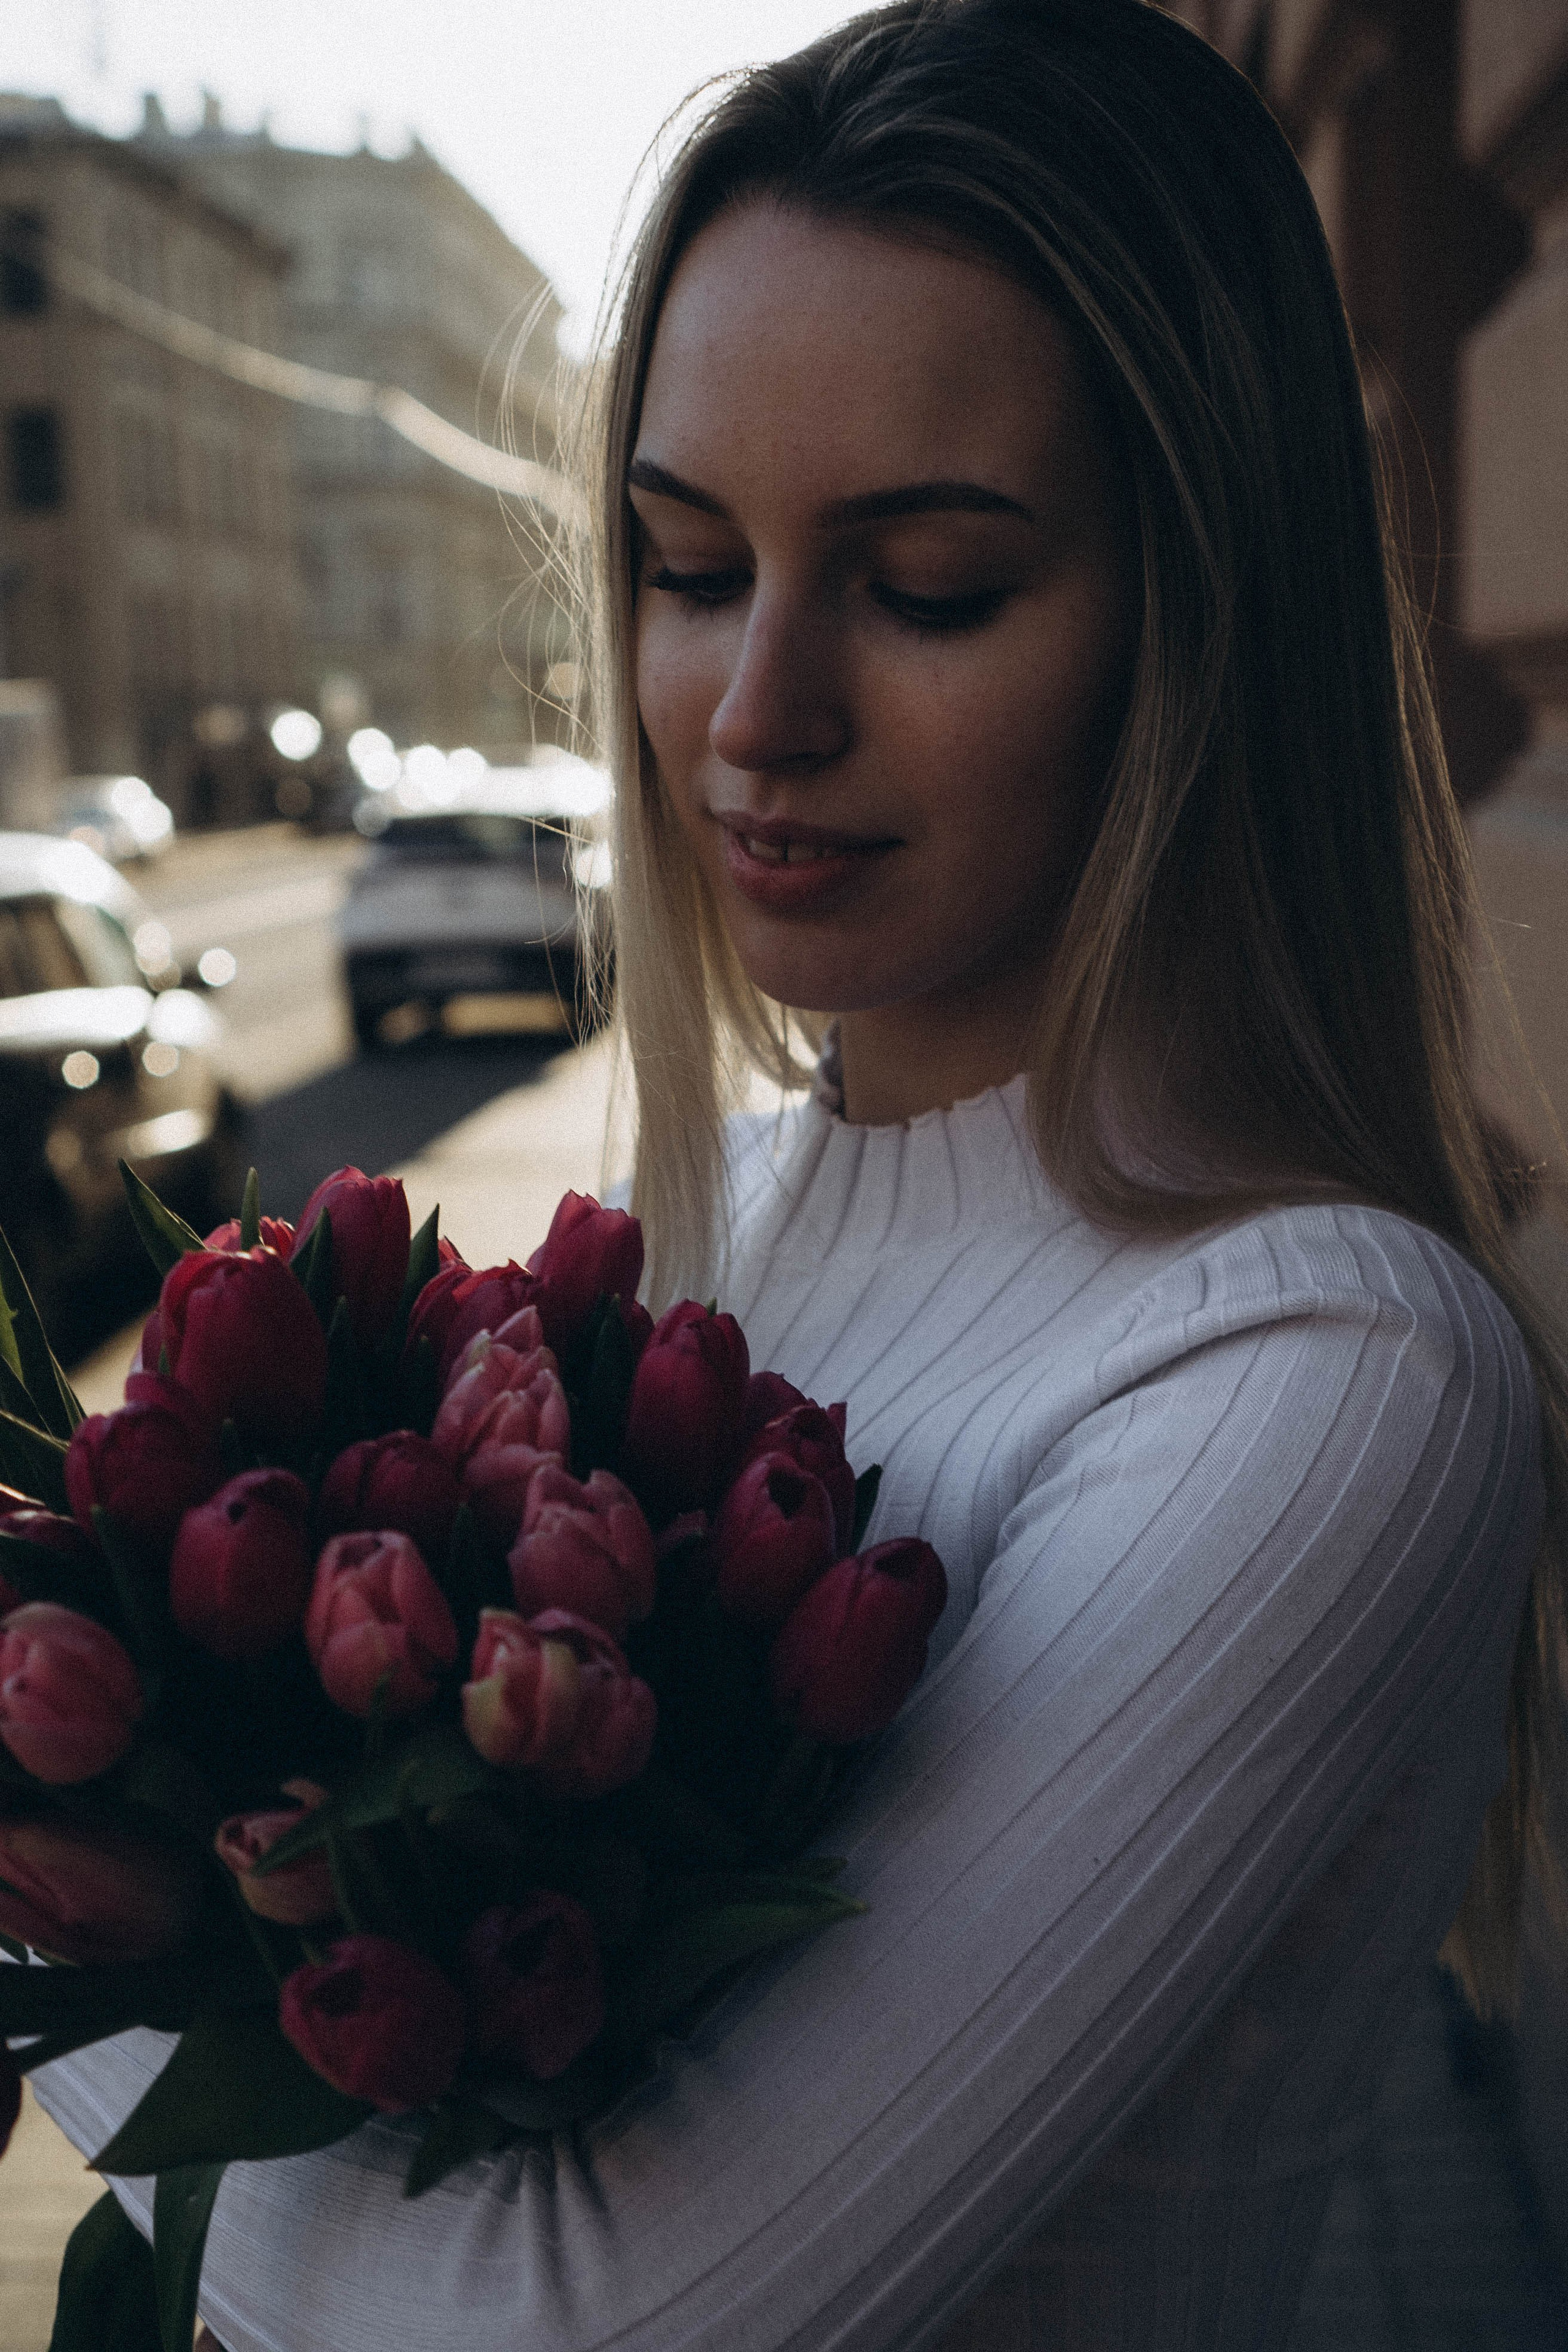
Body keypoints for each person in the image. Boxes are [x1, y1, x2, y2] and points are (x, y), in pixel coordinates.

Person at [36, 4, 1565, 2346]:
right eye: (682, 564)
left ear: (1204, 613)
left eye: (931, 583)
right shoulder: (679, 1243)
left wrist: (85, 1884)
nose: (757, 712)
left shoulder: (1325, 1373)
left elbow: (555, 2327)